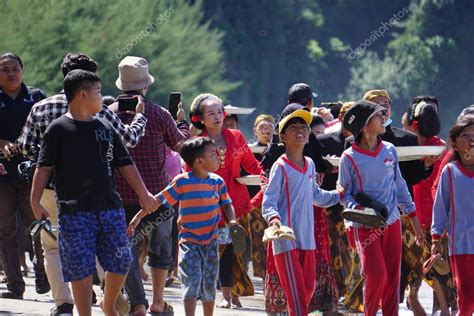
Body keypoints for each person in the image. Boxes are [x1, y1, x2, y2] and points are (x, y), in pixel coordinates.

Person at [17, 52, 147, 315]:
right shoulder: (58, 129)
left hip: (109, 206)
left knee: (121, 260)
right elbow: (44, 167)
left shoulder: (104, 126)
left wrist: (144, 194)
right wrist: (34, 200)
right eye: (98, 92)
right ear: (83, 95)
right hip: (74, 210)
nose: (102, 97)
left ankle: (108, 303)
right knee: (81, 269)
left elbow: (125, 163)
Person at [128, 137, 243, 316]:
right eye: (213, 154)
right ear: (199, 161)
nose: (218, 156)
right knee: (191, 282)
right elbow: (158, 200)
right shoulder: (182, 182)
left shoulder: (217, 182)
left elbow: (227, 204)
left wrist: (233, 222)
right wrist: (138, 217)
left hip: (211, 243)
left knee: (209, 283)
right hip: (189, 243)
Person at [112, 56, 190, 315]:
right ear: (145, 86)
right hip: (158, 195)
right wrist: (182, 123)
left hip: (120, 195)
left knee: (128, 250)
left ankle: (137, 303)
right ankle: (158, 301)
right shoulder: (158, 114)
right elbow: (181, 146)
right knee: (161, 247)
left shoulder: (108, 114)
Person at [338, 100, 424, 315]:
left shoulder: (389, 150)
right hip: (363, 224)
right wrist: (359, 208)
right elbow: (345, 194)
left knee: (393, 277)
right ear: (365, 125)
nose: (384, 118)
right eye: (378, 115)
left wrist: (414, 219)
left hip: (392, 221)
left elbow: (400, 186)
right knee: (376, 275)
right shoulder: (349, 157)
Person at [262, 109, 342, 316]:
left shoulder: (310, 164)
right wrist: (274, 220)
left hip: (307, 240)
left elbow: (317, 195)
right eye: (293, 127)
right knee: (297, 297)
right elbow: (268, 200)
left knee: (306, 291)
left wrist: (340, 195)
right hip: (285, 240)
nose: (300, 131)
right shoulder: (280, 166)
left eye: (303, 127)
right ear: (282, 137)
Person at [188, 93, 262, 308]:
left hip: (235, 206)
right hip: (206, 206)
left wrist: (258, 196)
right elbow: (188, 173)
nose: (217, 116)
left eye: (220, 111)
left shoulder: (237, 137)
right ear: (200, 118)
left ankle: (229, 295)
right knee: (209, 251)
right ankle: (210, 292)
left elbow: (253, 166)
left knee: (234, 250)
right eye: (211, 113)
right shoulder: (196, 142)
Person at [0, 52, 49, 299]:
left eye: (15, 68)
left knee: (38, 224)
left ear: (23, 70)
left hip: (33, 174)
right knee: (5, 229)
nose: (11, 74)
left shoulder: (37, 98)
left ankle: (44, 273)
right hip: (2, 176)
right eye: (5, 69)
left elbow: (51, 129)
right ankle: (14, 285)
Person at [431, 114, 474, 315]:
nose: (472, 139)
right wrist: (436, 238)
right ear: (454, 144)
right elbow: (441, 207)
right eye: (466, 135)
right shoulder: (450, 172)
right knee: (466, 295)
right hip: (461, 245)